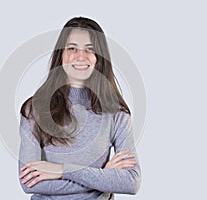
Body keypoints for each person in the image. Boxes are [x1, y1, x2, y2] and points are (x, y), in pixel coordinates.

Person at [18, 16, 141, 200]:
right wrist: (101, 178)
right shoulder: (34, 108)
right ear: (61, 55)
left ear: (99, 58)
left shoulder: (116, 113)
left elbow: (131, 181)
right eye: (72, 48)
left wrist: (62, 170)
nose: (80, 56)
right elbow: (29, 182)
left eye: (89, 49)